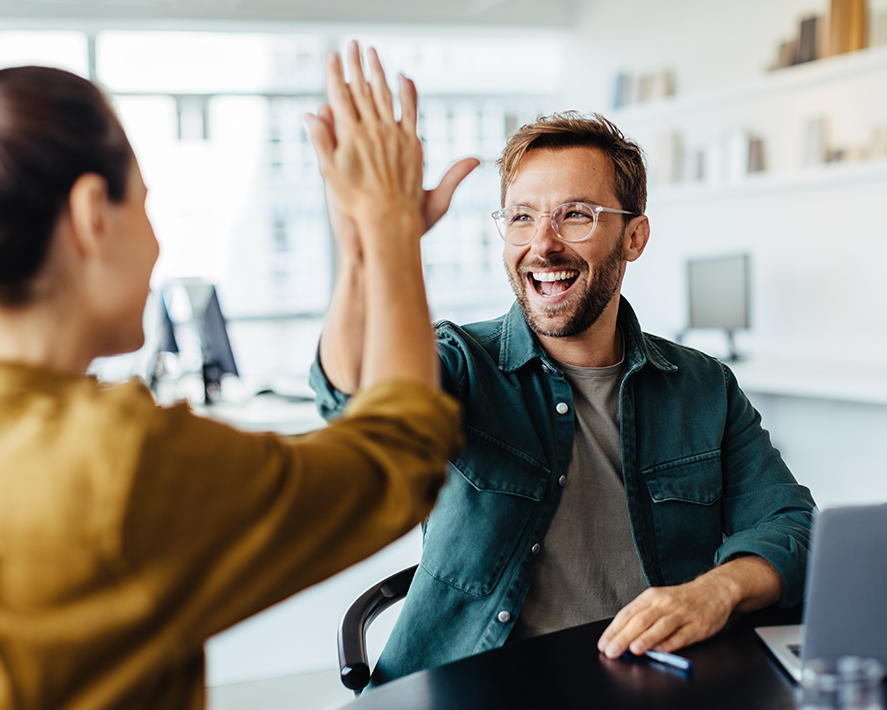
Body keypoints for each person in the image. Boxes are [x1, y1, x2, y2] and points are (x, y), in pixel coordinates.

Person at [0, 43, 468, 709]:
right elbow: (397, 457)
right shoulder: (110, 461)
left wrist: (362, 251)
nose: (157, 245)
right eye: (145, 207)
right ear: (94, 215)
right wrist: (390, 226)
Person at [311, 110, 816, 684]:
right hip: (471, 689)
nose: (542, 245)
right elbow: (351, 395)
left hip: (647, 685)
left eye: (575, 215)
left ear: (634, 238)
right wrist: (366, 247)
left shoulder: (703, 386)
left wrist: (717, 591)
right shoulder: (459, 364)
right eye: (522, 217)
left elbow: (793, 525)